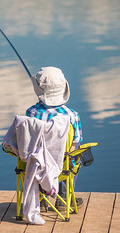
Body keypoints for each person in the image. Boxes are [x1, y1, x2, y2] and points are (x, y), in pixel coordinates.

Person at [26, 66, 83, 210]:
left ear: (38, 90)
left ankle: (41, 196)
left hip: (36, 164)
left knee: (39, 154)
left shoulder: (31, 113)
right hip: (60, 165)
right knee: (74, 152)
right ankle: (64, 197)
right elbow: (75, 142)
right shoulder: (71, 115)